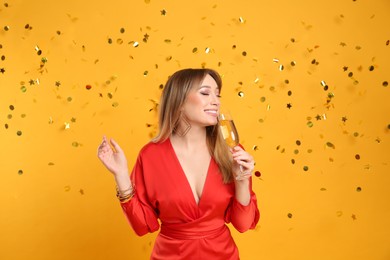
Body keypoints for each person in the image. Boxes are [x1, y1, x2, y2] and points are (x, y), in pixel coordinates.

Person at [97, 68, 260, 260]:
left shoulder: (230, 151)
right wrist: (121, 175)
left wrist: (242, 179)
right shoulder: (151, 156)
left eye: (217, 94)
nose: (216, 101)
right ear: (179, 101)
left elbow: (243, 224)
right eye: (205, 93)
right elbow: (143, 227)